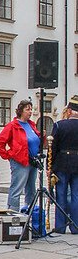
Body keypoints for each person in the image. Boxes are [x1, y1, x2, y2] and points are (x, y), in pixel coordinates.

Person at [0, 99, 40, 213]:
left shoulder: (31, 125)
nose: (30, 112)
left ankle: (30, 211)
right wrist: (9, 155)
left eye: (31, 109)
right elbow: (0, 142)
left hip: (32, 161)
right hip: (20, 161)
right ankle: (12, 211)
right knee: (17, 187)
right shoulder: (13, 126)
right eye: (27, 109)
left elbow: (35, 140)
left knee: (31, 188)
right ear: (21, 111)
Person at [50, 95, 78, 234]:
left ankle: (60, 226)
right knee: (76, 196)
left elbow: (53, 147)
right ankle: (75, 226)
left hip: (62, 163)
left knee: (60, 195)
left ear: (69, 111)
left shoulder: (60, 125)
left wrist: (51, 167)